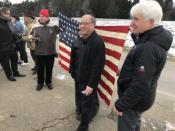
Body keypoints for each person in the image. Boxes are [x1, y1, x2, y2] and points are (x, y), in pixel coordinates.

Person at [112, 1, 173, 131]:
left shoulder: (147, 49)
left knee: (127, 125)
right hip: (143, 99)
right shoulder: (154, 38)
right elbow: (143, 70)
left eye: (136, 19)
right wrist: (136, 35)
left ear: (150, 22)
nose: (131, 23)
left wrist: (120, 105)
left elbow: (140, 84)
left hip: (133, 102)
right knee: (135, 121)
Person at [70, 14, 105, 131]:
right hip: (78, 76)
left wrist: (91, 84)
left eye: (85, 23)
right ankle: (79, 109)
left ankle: (84, 126)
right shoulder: (79, 39)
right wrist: (72, 71)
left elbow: (98, 66)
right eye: (81, 23)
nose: (82, 26)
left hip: (88, 80)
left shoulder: (97, 42)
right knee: (79, 97)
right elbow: (73, 57)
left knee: (87, 103)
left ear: (93, 25)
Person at [31, 9, 59, 90]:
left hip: (51, 52)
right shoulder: (35, 26)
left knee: (49, 69)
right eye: (40, 16)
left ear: (47, 17)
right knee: (40, 69)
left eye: (43, 16)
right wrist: (33, 38)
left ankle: (48, 82)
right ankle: (40, 83)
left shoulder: (54, 26)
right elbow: (31, 36)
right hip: (39, 52)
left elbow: (63, 32)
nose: (41, 17)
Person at [0, 7, 25, 81]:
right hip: (3, 47)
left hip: (12, 45)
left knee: (15, 58)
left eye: (9, 13)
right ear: (2, 13)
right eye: (7, 14)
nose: (9, 15)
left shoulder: (9, 21)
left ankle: (15, 72)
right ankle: (9, 75)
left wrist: (18, 36)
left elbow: (13, 31)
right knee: (6, 62)